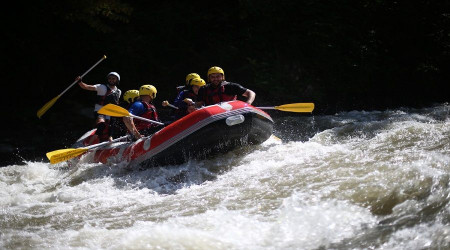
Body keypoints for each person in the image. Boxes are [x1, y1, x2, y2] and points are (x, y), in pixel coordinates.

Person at [76, 72, 122, 142]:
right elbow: (86, 87)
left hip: (109, 112)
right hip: (100, 111)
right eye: (110, 78)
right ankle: (90, 143)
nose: (111, 80)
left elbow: (115, 103)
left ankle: (110, 139)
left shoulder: (118, 91)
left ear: (117, 80)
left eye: (113, 79)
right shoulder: (102, 87)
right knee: (102, 125)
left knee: (112, 125)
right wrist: (80, 82)